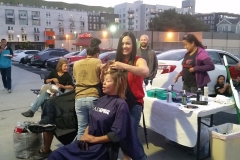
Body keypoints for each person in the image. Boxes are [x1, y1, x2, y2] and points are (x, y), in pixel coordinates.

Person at [48, 69, 143, 160]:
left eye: (108, 81)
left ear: (117, 84)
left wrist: (93, 139)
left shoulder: (120, 104)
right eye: (104, 80)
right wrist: (85, 136)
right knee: (56, 155)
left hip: (101, 149)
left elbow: (115, 135)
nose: (103, 83)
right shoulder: (102, 100)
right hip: (87, 143)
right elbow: (91, 122)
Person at [108, 32, 148, 160]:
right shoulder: (116, 62)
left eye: (128, 43)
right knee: (121, 135)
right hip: (119, 104)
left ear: (133, 45)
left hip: (134, 104)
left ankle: (141, 158)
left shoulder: (138, 60)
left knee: (131, 135)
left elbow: (145, 72)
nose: (125, 46)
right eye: (123, 43)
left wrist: (123, 66)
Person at [73, 38, 103, 139]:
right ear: (97, 54)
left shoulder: (76, 64)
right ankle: (92, 152)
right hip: (92, 96)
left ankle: (78, 152)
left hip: (79, 98)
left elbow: (76, 78)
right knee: (93, 128)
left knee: (81, 129)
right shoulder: (97, 62)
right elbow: (102, 80)